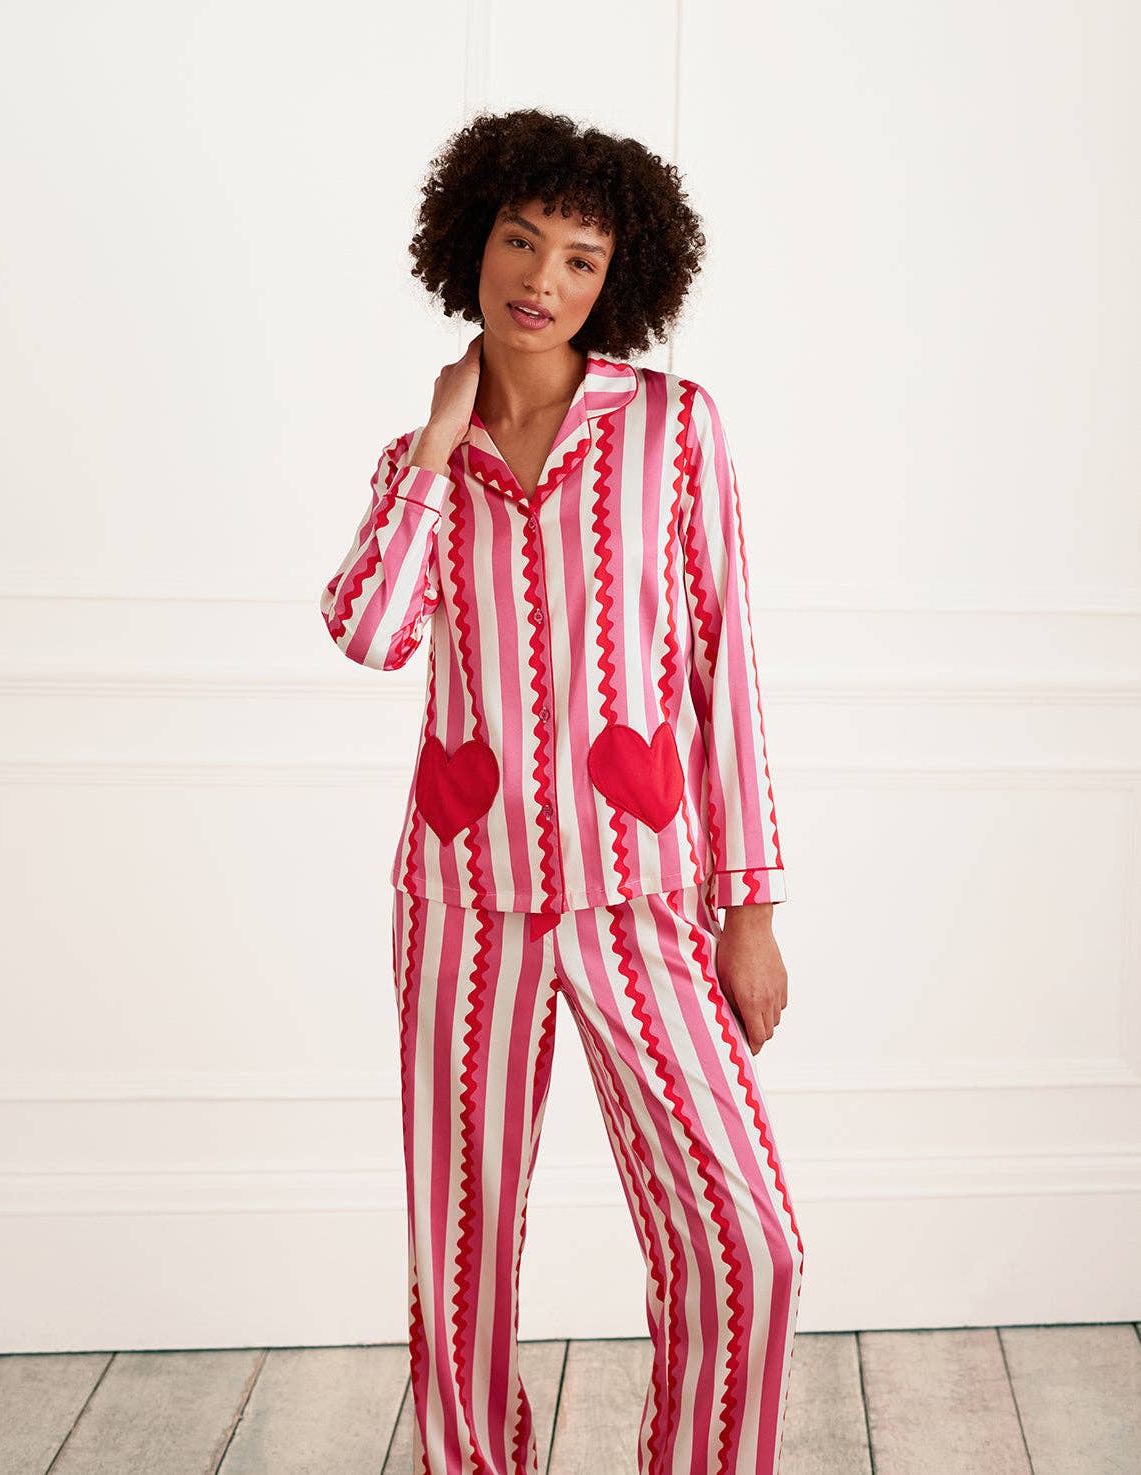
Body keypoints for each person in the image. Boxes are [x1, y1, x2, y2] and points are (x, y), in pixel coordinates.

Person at [320, 106, 802, 1475]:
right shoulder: (421, 464)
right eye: (521, 241)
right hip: (462, 903)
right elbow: (371, 633)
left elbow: (723, 669)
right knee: (459, 1257)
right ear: (470, 244)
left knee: (748, 1243)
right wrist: (437, 442)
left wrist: (750, 907)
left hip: (643, 897)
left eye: (580, 259)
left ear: (618, 277)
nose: (542, 279)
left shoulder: (674, 430)